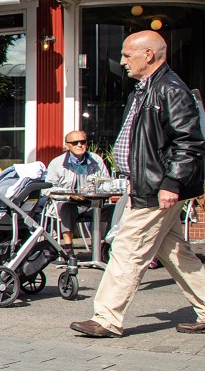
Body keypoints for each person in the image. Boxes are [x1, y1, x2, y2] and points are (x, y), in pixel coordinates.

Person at [72, 31, 205, 338]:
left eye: (127, 55)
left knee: (127, 248)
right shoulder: (143, 91)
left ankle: (106, 318)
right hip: (147, 184)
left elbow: (190, 142)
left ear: (148, 55)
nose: (122, 61)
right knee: (175, 253)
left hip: (158, 187)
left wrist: (171, 183)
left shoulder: (170, 89)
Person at [45, 130, 110, 248]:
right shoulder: (57, 163)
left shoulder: (96, 160)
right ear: (67, 145)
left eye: (82, 142)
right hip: (68, 202)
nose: (79, 145)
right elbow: (47, 189)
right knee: (67, 207)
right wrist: (69, 195)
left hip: (93, 203)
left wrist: (99, 191)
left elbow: (106, 182)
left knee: (115, 209)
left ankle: (106, 246)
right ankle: (69, 252)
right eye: (75, 143)